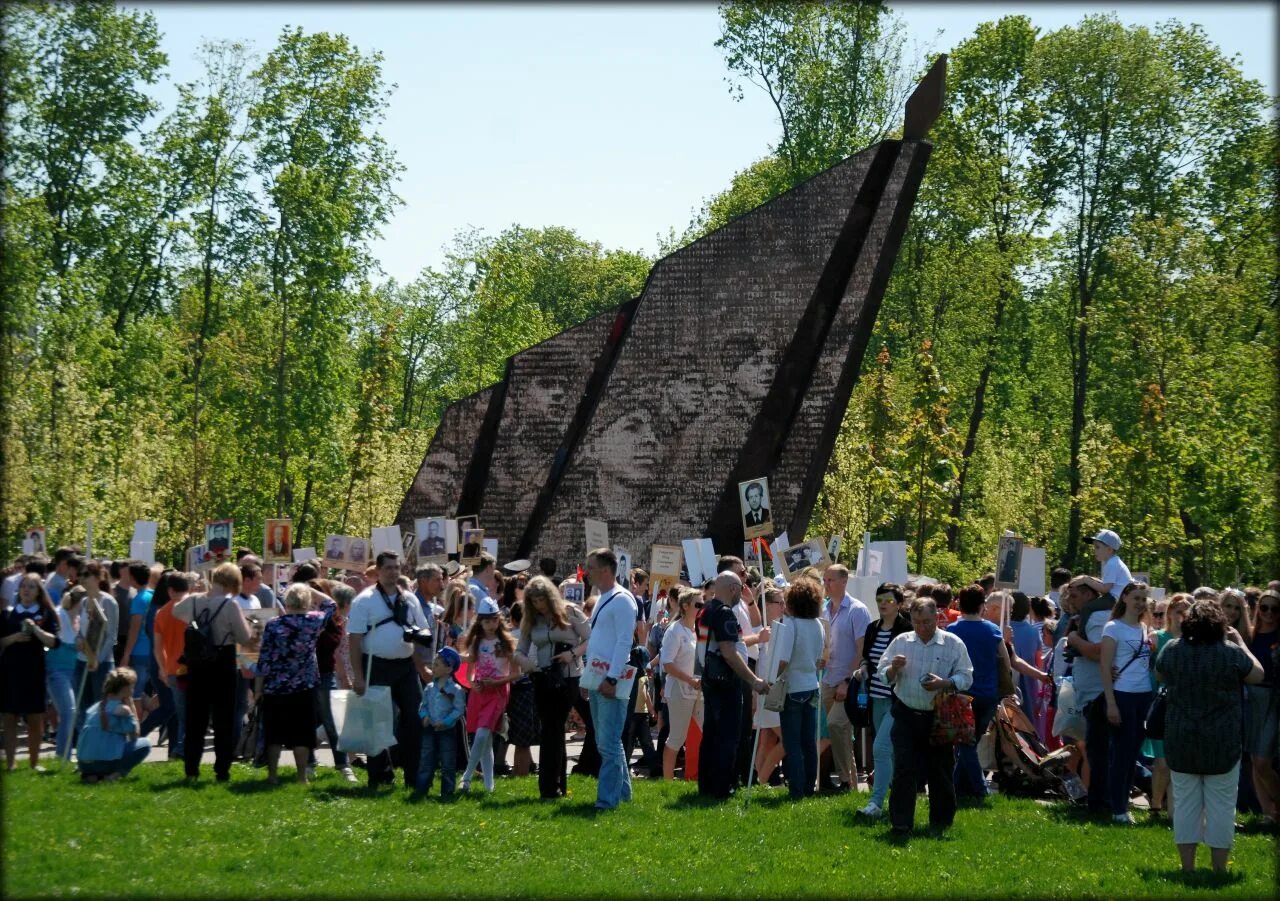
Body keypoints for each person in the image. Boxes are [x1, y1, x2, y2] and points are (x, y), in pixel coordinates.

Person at [1156, 599, 1266, 873]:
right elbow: (1257, 674)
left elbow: (1159, 674)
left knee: (1185, 806)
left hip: (1181, 739)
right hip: (1222, 740)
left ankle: (1188, 867)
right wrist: (1240, 643)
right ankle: (1219, 868)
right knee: (1222, 806)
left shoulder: (1172, 649)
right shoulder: (1230, 653)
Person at [878, 596, 975, 837]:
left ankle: (941, 822)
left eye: (928, 622)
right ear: (911, 620)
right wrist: (893, 669)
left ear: (937, 618)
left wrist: (947, 683)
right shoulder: (901, 642)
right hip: (906, 714)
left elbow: (967, 676)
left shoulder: (952, 643)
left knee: (940, 771)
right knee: (903, 770)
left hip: (939, 716)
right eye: (918, 622)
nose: (922, 628)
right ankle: (901, 822)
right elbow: (882, 674)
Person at [348, 551, 431, 789]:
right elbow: (354, 640)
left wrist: (422, 666)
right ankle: (380, 776)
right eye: (388, 568)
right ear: (378, 570)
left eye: (397, 568)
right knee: (377, 723)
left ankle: (414, 777)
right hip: (376, 665)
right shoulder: (364, 600)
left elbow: (418, 634)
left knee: (414, 721)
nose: (393, 572)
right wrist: (358, 676)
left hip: (404, 667)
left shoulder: (410, 599)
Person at [173, 562, 254, 782]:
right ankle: (221, 771)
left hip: (197, 663)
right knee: (223, 719)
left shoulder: (195, 601)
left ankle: (191, 770)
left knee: (195, 719)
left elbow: (175, 611)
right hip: (222, 661)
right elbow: (244, 637)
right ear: (232, 583)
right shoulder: (230, 606)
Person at [254, 583, 336, 784]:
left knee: (274, 733)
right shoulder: (313, 621)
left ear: (287, 602)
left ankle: (272, 775)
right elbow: (331, 604)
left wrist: (258, 689)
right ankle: (301, 777)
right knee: (302, 733)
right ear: (307, 602)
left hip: (275, 686)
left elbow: (264, 659)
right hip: (304, 685)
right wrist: (310, 588)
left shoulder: (273, 624)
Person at [518, 575, 590, 799]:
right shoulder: (531, 620)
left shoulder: (571, 612)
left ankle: (549, 786)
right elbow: (519, 649)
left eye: (542, 600)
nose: (539, 605)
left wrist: (572, 653)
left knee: (553, 728)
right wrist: (527, 664)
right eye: (534, 601)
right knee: (552, 730)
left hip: (567, 677)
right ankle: (557, 784)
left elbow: (591, 637)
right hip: (541, 676)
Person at [697, 571, 768, 799]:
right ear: (733, 589)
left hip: (709, 679)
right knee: (728, 735)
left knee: (711, 734)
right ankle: (723, 786)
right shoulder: (725, 613)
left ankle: (707, 785)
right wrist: (753, 680)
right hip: (726, 681)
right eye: (740, 588)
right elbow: (729, 652)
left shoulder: (705, 610)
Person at [581, 547, 640, 810]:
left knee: (608, 743)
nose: (586, 572)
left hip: (611, 679)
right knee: (605, 741)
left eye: (590, 567)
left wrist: (612, 679)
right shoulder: (605, 597)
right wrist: (588, 680)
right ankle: (623, 795)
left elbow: (624, 642)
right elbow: (599, 641)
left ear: (605, 570)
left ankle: (607, 800)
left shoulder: (622, 600)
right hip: (597, 676)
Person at [1099, 581, 1155, 823]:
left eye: (1143, 599)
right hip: (1122, 695)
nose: (1140, 603)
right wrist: (1111, 703)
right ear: (1124, 598)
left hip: (1144, 695)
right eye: (1136, 598)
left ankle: (1124, 803)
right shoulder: (1113, 628)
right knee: (1121, 754)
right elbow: (1104, 666)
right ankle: (1118, 808)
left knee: (1133, 754)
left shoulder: (1144, 628)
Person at [856, 582, 912, 817]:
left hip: (897, 700)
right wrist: (862, 668)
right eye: (879, 600)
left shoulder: (907, 630)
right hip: (875, 697)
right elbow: (867, 657)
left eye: (888, 601)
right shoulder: (872, 628)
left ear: (899, 604)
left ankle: (876, 803)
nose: (883, 605)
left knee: (880, 748)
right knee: (887, 752)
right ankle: (895, 798)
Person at [948, 584, 1008, 802]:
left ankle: (978, 790)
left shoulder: (953, 631)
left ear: (960, 605)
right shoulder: (993, 630)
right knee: (969, 743)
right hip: (988, 695)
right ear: (983, 605)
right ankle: (957, 788)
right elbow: (1006, 663)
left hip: (962, 694)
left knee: (966, 744)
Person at [1062, 572, 1114, 814]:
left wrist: (1073, 639)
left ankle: (1100, 803)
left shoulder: (1097, 618)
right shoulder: (1088, 615)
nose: (1069, 599)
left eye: (1074, 594)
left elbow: (1098, 652)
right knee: (1094, 750)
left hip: (1098, 695)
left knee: (1098, 753)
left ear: (1090, 594)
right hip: (1092, 694)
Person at [819, 564, 871, 793]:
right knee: (837, 732)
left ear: (844, 582)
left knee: (836, 725)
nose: (826, 584)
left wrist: (848, 681)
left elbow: (862, 649)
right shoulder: (824, 609)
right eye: (825, 580)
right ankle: (848, 782)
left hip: (847, 681)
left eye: (830, 580)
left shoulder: (857, 610)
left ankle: (845, 779)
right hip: (827, 678)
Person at [1, 574, 61, 770]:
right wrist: (15, 638)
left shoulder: (45, 614)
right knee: (10, 717)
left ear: (39, 592)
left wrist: (36, 630)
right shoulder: (8, 613)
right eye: (24, 586)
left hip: (34, 672)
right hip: (10, 672)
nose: (27, 590)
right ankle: (10, 762)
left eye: (32, 587)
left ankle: (34, 763)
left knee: (35, 717)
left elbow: (54, 642)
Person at [773, 576, 826, 799]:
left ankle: (796, 788)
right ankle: (808, 786)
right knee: (808, 741)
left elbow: (783, 660)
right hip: (812, 685)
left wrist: (770, 679)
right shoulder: (818, 625)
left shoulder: (791, 625)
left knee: (792, 742)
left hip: (793, 687)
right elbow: (818, 658)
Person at [458, 596, 517, 793]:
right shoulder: (477, 641)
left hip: (497, 693)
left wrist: (497, 682)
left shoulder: (505, 642)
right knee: (484, 740)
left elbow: (515, 673)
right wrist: (471, 681)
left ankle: (466, 775)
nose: (490, 625)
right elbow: (471, 666)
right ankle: (489, 785)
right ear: (480, 622)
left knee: (483, 733)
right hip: (480, 692)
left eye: (494, 620)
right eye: (486, 621)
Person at [1146, 593, 1190, 818]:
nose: (1181, 616)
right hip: (1160, 704)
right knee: (1162, 762)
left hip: (1183, 707)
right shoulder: (1157, 638)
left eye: (1186, 611)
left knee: (1175, 763)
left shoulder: (1193, 642)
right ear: (1169, 613)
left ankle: (1172, 811)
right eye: (1177, 610)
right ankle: (1155, 805)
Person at [75, 667, 151, 783]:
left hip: (83, 764)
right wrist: (131, 706)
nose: (133, 690)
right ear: (126, 689)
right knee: (145, 744)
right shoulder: (123, 709)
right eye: (132, 687)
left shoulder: (95, 708)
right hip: (104, 763)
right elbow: (134, 736)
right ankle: (114, 775)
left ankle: (92, 776)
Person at [660, 586, 704, 781]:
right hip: (680, 689)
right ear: (685, 606)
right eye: (698, 604)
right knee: (677, 737)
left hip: (698, 690)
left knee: (707, 732)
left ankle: (705, 777)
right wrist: (690, 680)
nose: (702, 607)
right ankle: (668, 781)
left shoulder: (699, 629)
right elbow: (666, 664)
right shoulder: (675, 630)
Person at [1244, 588, 1280, 822]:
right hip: (1249, 699)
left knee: (1263, 761)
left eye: (1274, 608)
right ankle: (1268, 813)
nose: (1268, 612)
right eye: (1263, 607)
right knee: (1253, 760)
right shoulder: (1249, 635)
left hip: (1273, 700)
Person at [315, 583, 357, 782]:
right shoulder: (329, 622)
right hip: (336, 673)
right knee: (334, 719)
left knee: (336, 719)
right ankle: (344, 761)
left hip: (338, 672)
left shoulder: (340, 621)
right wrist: (345, 677)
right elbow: (337, 654)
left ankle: (349, 759)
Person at [148, 572, 192, 760]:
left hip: (173, 669)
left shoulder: (162, 613)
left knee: (181, 713)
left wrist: (163, 668)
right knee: (190, 713)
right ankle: (181, 750)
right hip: (193, 667)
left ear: (170, 590)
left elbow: (157, 647)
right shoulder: (192, 608)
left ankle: (180, 750)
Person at [417, 647, 467, 798]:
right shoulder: (429, 688)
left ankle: (447, 791)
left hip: (447, 731)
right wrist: (424, 716)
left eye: (437, 664)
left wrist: (447, 721)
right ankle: (422, 789)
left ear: (449, 668)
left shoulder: (456, 689)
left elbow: (459, 709)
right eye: (434, 663)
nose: (433, 667)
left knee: (447, 761)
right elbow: (423, 705)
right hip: (429, 730)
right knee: (426, 759)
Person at [119, 560, 154, 703]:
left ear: (133, 578)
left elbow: (135, 629)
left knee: (135, 696)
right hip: (152, 651)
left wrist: (126, 654)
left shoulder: (138, 600)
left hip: (139, 652)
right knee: (146, 693)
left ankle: (139, 725)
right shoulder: (153, 594)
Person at [1089, 529, 1132, 602]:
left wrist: (1086, 580)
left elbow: (1105, 589)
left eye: (1097, 547)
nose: (1094, 550)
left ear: (1109, 549)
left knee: (1087, 608)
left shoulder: (1112, 564)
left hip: (1115, 599)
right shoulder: (1114, 562)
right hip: (1117, 597)